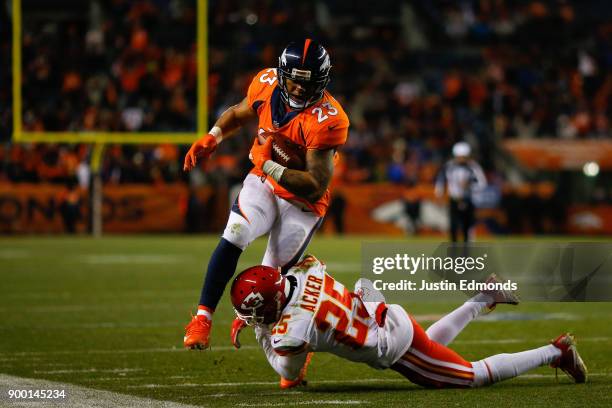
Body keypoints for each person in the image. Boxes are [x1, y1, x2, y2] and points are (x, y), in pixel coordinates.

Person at [182, 39, 349, 349]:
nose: (299, 88)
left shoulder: (328, 119)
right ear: (283, 73)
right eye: (295, 80)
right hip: (263, 180)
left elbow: (315, 184)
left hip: (302, 202)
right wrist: (213, 136)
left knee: (274, 282)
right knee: (236, 232)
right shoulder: (266, 83)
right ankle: (202, 318)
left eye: (308, 82)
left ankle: (294, 357)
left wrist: (268, 164)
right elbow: (236, 113)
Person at [229, 255, 587, 389]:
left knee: (473, 376)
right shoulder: (306, 270)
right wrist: (375, 304)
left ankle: (555, 353)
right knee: (430, 343)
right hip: (388, 318)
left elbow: (288, 374)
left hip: (391, 345)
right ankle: (485, 297)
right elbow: (360, 284)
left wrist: (260, 331)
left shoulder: (290, 331)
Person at [435, 142, 487, 242]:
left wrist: (470, 185)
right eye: (459, 157)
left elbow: (482, 183)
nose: (461, 159)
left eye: (463, 157)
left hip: (468, 200)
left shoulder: (473, 167)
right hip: (454, 200)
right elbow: (440, 180)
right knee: (453, 227)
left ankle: (467, 253)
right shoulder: (449, 166)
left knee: (467, 228)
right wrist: (439, 194)